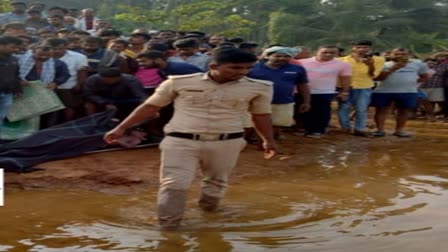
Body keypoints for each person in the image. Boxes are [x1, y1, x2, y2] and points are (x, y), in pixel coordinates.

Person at [104, 48, 277, 229]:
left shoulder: (260, 87)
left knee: (216, 182)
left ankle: (208, 215)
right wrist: (121, 128)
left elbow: (261, 115)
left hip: (228, 141)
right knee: (174, 184)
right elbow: (150, 107)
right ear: (213, 66)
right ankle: (169, 229)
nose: (242, 72)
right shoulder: (178, 82)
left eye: (247, 68)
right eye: (235, 68)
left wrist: (268, 140)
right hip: (181, 140)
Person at [248, 46, 310, 139]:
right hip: (255, 101)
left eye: (286, 56)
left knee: (277, 123)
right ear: (267, 56)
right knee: (252, 122)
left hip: (283, 102)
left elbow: (303, 85)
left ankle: (268, 141)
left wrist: (306, 101)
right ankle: (256, 140)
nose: (282, 58)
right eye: (277, 56)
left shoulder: (297, 69)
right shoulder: (253, 68)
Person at [371, 48, 430, 137]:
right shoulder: (384, 64)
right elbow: (378, 78)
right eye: (397, 54)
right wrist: (392, 69)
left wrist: (411, 82)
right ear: (391, 55)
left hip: (408, 91)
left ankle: (399, 130)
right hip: (384, 91)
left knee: (404, 110)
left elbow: (424, 76)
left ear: (408, 55)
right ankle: (380, 130)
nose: (400, 56)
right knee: (381, 110)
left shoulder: (418, 64)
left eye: (403, 54)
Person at [300, 45, 352, 137]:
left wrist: (345, 92)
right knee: (304, 111)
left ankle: (319, 130)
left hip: (325, 92)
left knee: (322, 112)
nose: (328, 54)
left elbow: (345, 79)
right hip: (303, 91)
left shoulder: (342, 65)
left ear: (337, 53)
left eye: (332, 53)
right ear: (317, 52)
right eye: (325, 52)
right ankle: (305, 129)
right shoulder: (302, 62)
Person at [337, 40, 385, 136]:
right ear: (352, 48)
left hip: (364, 86)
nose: (362, 49)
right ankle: (345, 127)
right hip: (345, 87)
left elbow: (373, 76)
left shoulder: (378, 59)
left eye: (365, 47)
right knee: (343, 108)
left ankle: (359, 128)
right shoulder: (341, 60)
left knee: (361, 108)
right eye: (358, 47)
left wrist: (370, 65)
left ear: (369, 48)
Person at [0, 36, 23, 131]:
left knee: (1, 117)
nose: (16, 50)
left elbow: (16, 75)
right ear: (1, 45)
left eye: (17, 47)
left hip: (7, 92)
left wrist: (18, 88)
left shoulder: (14, 59)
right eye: (13, 47)